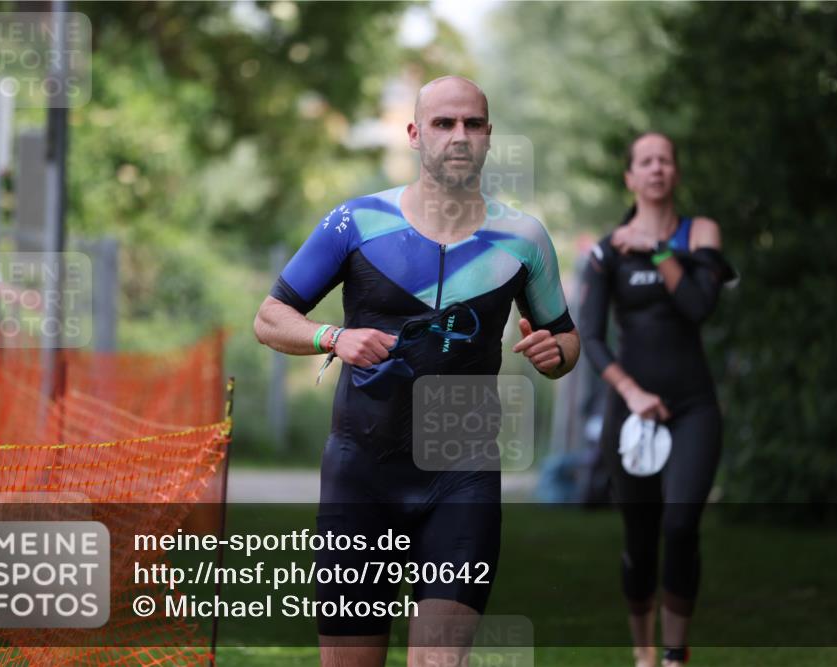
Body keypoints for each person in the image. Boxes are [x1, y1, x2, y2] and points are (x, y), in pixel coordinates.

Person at [254, 76, 579, 667]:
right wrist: (334, 336)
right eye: (443, 123)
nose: (459, 136)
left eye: (473, 124)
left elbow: (564, 339)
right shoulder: (353, 222)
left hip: (462, 473)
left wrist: (558, 355)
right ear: (414, 134)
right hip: (362, 473)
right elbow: (271, 318)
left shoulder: (524, 238)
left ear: (488, 136)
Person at [578, 132, 736, 667]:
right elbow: (592, 338)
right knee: (641, 535)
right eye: (645, 161)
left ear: (676, 173)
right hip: (632, 408)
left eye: (665, 159)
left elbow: (697, 306)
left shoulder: (700, 234)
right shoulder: (606, 252)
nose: (656, 168)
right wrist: (631, 391)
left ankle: (674, 653)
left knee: (681, 524)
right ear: (630, 177)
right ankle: (643, 653)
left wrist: (657, 250)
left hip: (693, 407)